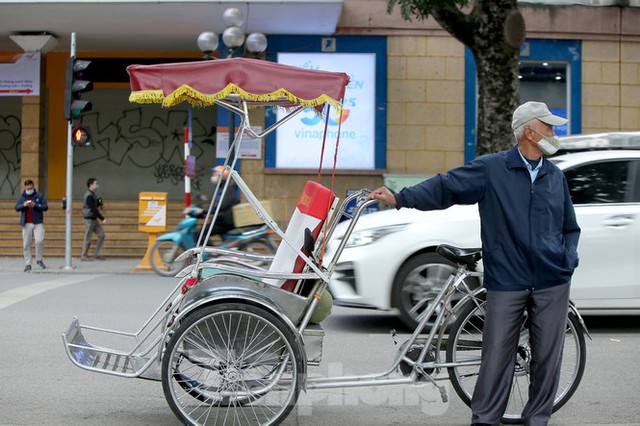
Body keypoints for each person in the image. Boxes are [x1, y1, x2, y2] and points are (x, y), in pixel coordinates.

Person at [368, 101, 580, 426]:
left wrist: (567, 260)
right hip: (507, 281)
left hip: (552, 282)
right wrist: (401, 198)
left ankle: (538, 420)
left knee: (547, 361)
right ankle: (484, 420)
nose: (554, 132)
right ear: (529, 130)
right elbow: (447, 186)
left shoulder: (554, 177)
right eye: (548, 126)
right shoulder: (492, 169)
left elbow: (569, 227)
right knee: (496, 358)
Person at [188, 165, 240, 242]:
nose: (213, 177)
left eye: (215, 175)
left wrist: (203, 211)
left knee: (200, 234)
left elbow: (220, 206)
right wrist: (203, 210)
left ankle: (210, 253)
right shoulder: (221, 188)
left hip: (224, 221)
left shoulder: (227, 189)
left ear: (221, 176)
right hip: (221, 219)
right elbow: (216, 204)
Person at [15, 179, 49, 272]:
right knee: (26, 244)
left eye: (30, 188)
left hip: (38, 222)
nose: (29, 190)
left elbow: (45, 207)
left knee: (39, 241)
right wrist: (24, 205)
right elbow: (17, 208)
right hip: (26, 223)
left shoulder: (39, 196)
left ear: (33, 186)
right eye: (27, 188)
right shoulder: (22, 196)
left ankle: (39, 259)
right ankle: (28, 263)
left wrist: (35, 205)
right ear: (25, 187)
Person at [81, 178, 106, 261]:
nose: (97, 185)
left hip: (94, 219)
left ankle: (96, 253)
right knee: (88, 237)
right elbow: (93, 209)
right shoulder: (88, 195)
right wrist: (102, 218)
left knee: (101, 235)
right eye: (95, 184)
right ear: (91, 185)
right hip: (89, 219)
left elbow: (94, 206)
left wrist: (98, 203)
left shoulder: (92, 195)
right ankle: (84, 255)